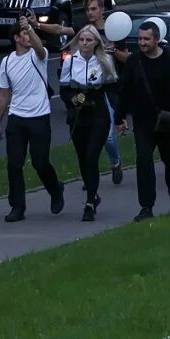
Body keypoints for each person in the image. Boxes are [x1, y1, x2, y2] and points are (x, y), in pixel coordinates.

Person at [32, 0, 126, 183]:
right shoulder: (84, 31)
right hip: (86, 88)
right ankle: (90, 175)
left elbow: (127, 58)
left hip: (108, 87)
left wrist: (112, 51)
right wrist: (37, 25)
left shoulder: (113, 29)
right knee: (86, 137)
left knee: (108, 138)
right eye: (87, 10)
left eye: (93, 9)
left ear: (101, 10)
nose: (90, 13)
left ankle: (115, 162)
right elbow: (59, 29)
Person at [113, 21, 170, 222]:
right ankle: (146, 206)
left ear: (156, 39)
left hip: (168, 119)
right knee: (144, 161)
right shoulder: (134, 61)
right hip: (143, 121)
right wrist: (119, 117)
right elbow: (124, 90)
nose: (142, 43)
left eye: (146, 39)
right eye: (140, 39)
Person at [0, 19, 65, 223]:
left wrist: (30, 28)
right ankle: (17, 207)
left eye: (29, 33)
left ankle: (55, 190)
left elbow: (39, 46)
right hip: (16, 118)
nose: (28, 36)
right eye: (24, 33)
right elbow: (3, 93)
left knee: (40, 161)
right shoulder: (7, 62)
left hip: (39, 116)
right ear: (16, 38)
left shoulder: (37, 56)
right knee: (14, 164)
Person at [59, 25, 118, 221]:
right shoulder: (70, 61)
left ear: (95, 43)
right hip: (78, 116)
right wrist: (75, 101)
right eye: (82, 40)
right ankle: (93, 192)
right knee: (83, 158)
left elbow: (112, 89)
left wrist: (119, 114)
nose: (84, 43)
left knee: (92, 157)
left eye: (88, 40)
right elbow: (64, 90)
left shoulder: (104, 61)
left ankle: (90, 202)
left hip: (98, 114)